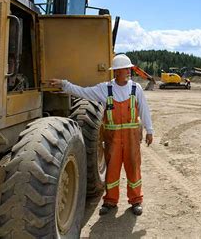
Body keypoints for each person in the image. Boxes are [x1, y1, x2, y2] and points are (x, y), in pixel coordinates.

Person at [49, 54, 154, 216]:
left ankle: (136, 201)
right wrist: (65, 85)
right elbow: (82, 92)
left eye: (128, 69)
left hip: (131, 139)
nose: (128, 71)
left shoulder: (136, 89)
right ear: (117, 71)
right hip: (113, 140)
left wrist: (150, 130)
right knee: (111, 170)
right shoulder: (105, 89)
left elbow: (144, 110)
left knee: (134, 169)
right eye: (125, 69)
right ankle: (110, 201)